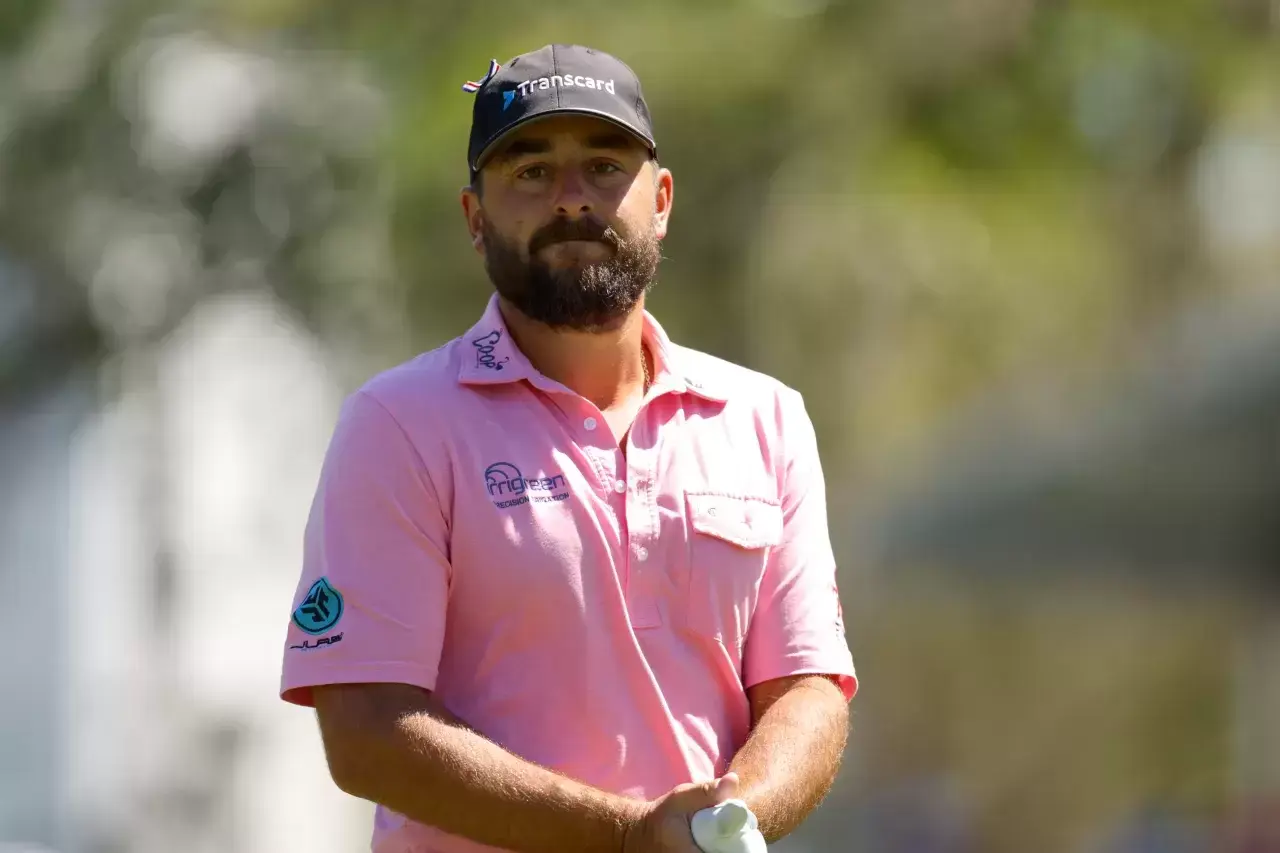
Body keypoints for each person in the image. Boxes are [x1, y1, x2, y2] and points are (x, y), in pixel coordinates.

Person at [279, 43, 858, 853]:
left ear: (660, 200)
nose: (572, 200)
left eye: (603, 166)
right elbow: (367, 726)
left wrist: (725, 824)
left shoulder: (764, 416)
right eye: (530, 172)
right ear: (475, 220)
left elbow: (807, 689)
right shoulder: (399, 423)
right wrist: (628, 835)